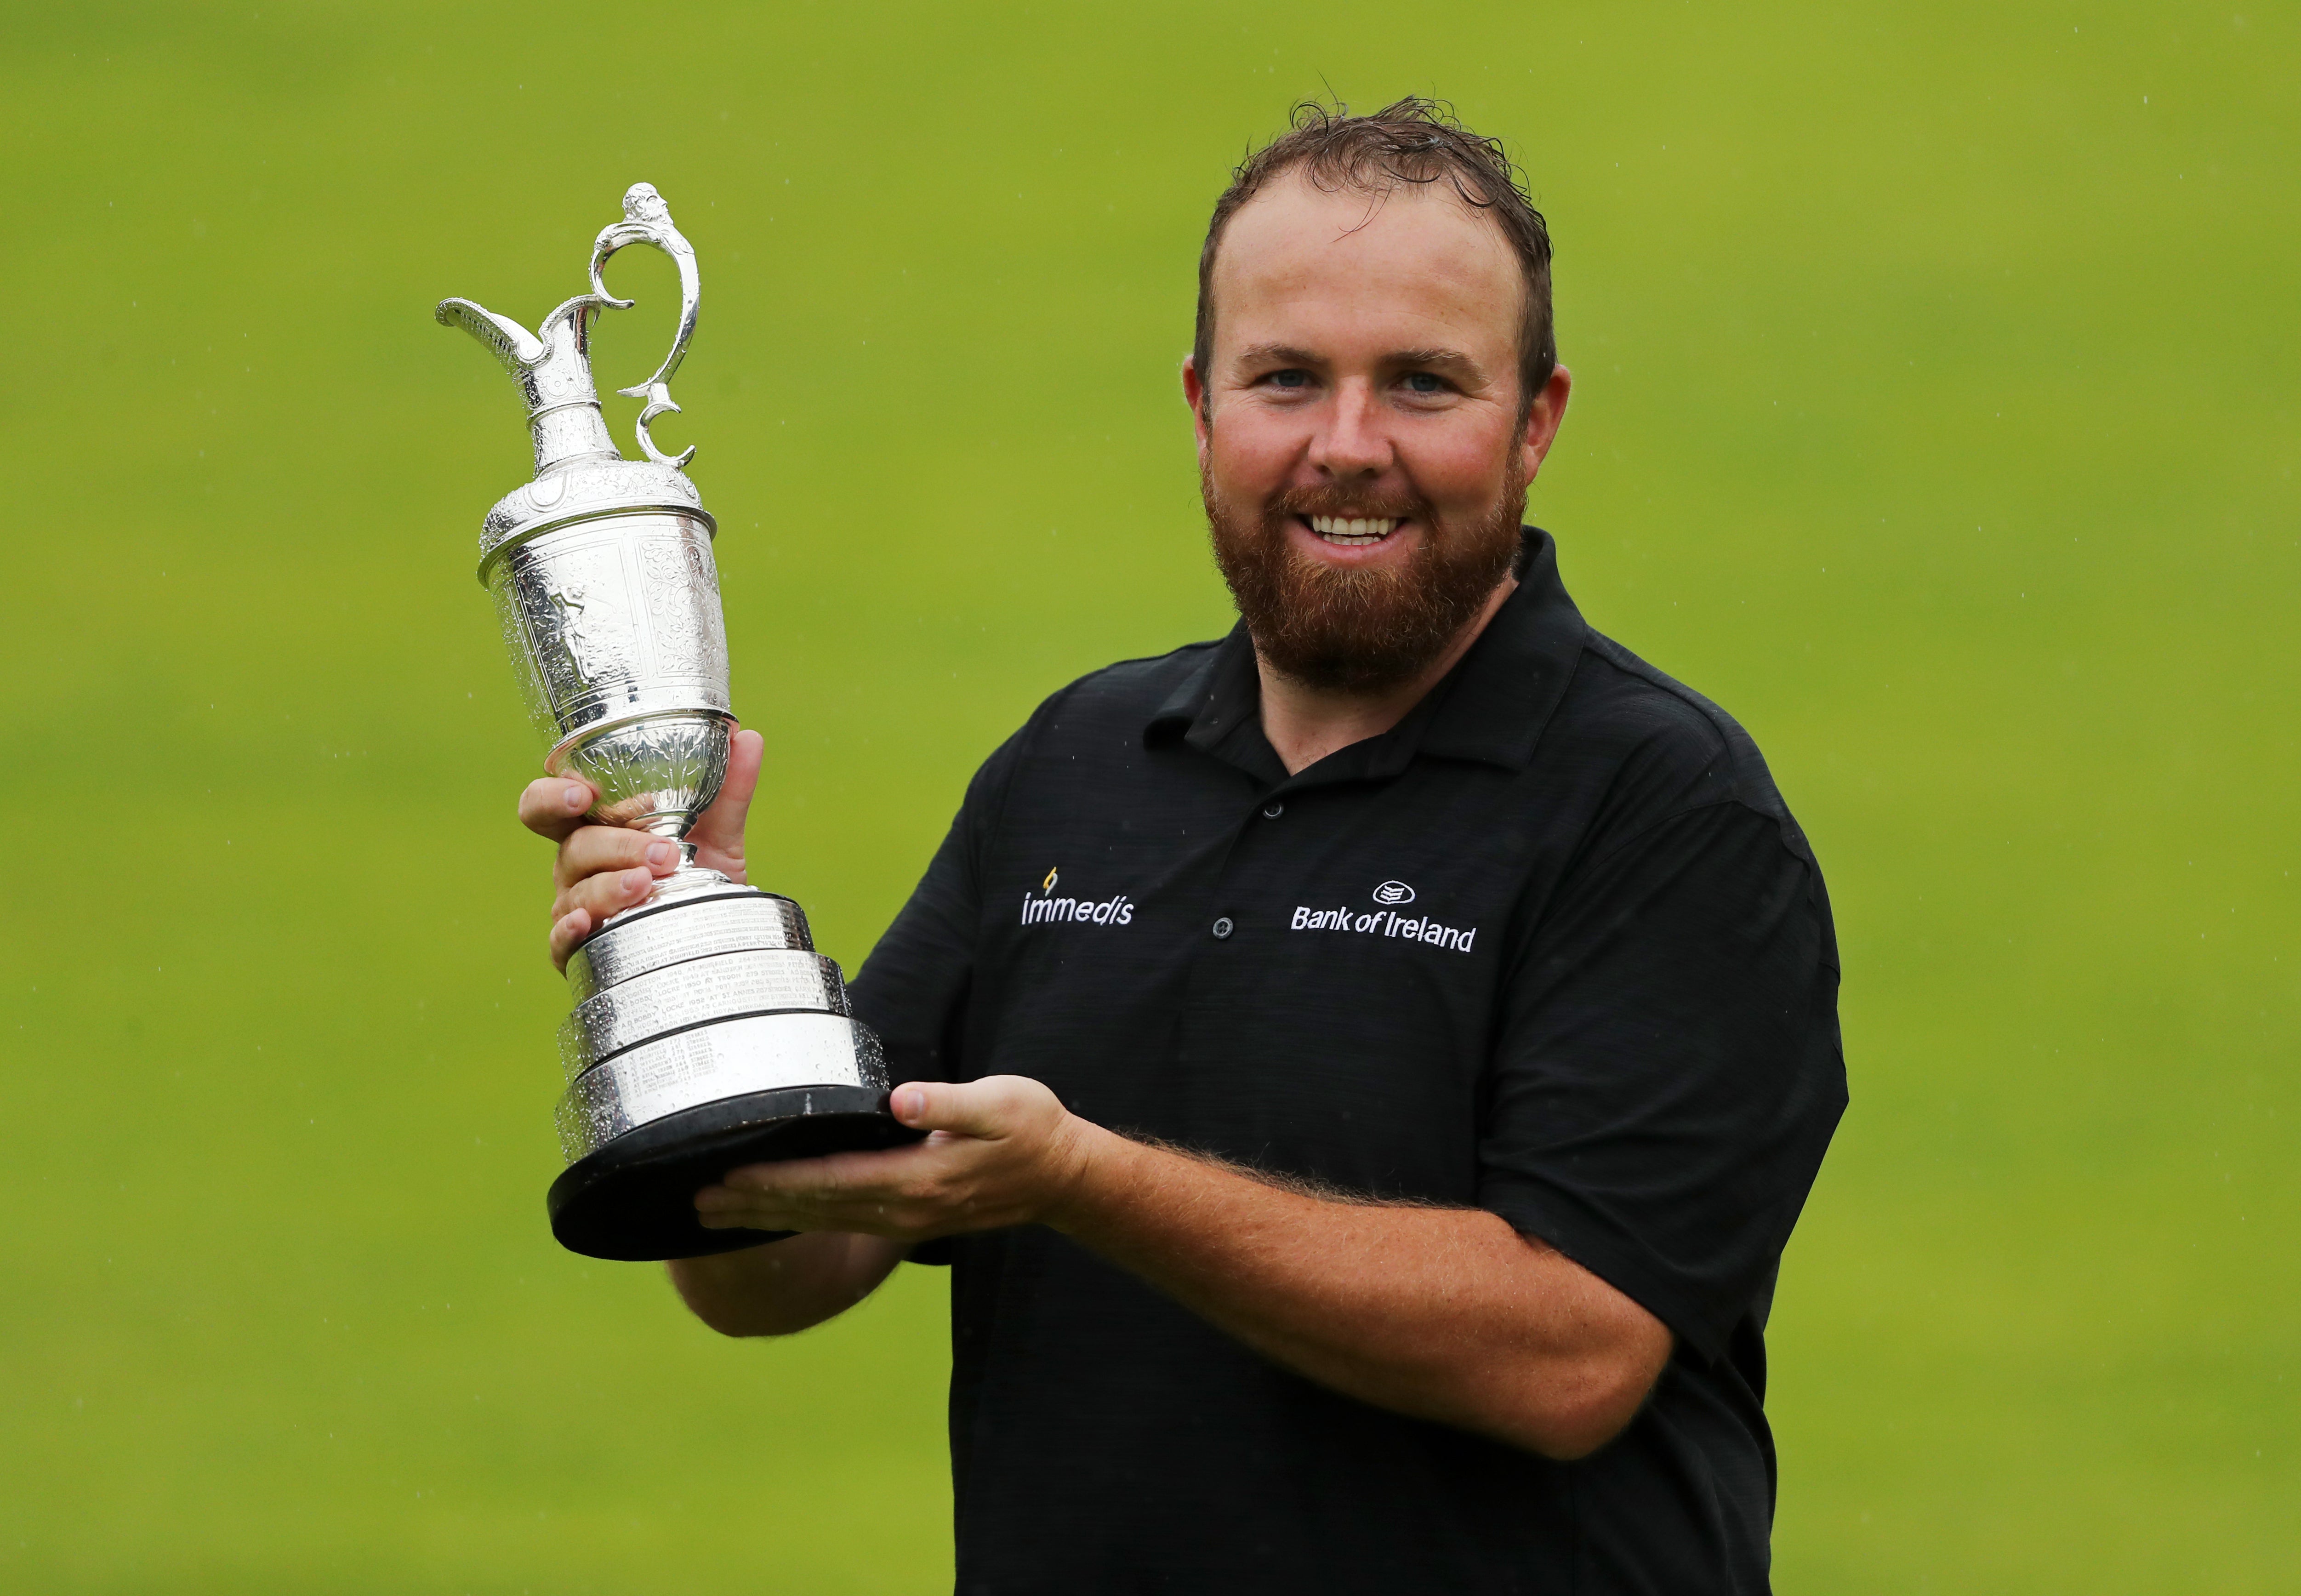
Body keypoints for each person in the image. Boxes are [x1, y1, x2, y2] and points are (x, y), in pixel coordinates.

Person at [519, 98, 1846, 1595]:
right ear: (1202, 405)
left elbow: (1566, 1358)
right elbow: (777, 1275)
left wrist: (1085, 1181)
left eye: (1422, 383)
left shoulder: (1662, 813)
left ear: (1534, 422)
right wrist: (698, 971)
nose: (1348, 447)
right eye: (1286, 379)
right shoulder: (1076, 769)